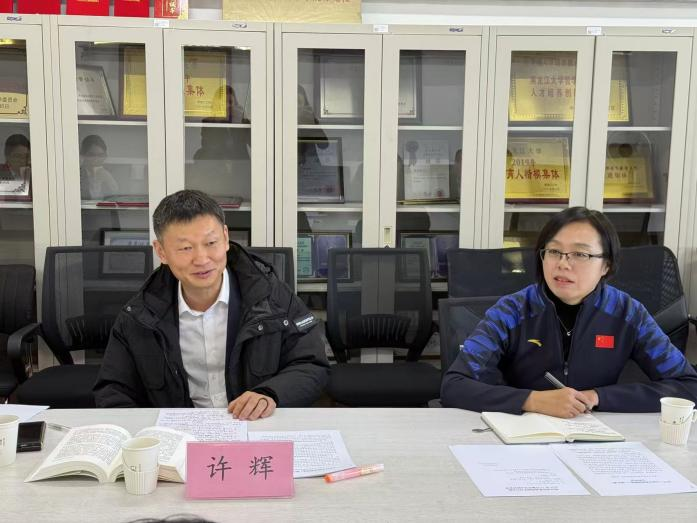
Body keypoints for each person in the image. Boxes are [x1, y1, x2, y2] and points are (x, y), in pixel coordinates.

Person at [94, 190, 330, 420]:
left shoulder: (272, 298)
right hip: (179, 433)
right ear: (161, 252)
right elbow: (113, 390)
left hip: (255, 426)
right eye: (185, 248)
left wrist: (270, 394)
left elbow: (312, 364)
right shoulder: (140, 314)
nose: (201, 259)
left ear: (226, 238)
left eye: (210, 242)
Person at [441, 206, 697, 418]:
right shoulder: (512, 311)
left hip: (599, 436)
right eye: (554, 251)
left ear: (606, 265)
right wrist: (533, 400)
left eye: (580, 254)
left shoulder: (628, 313)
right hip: (522, 435)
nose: (563, 264)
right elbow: (454, 385)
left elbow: (688, 386)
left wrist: (598, 397)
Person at [79, 135, 118, 200]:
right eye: (92, 155)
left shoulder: (108, 173)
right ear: (83, 155)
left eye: (101, 155)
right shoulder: (78, 174)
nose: (96, 159)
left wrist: (108, 179)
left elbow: (115, 196)